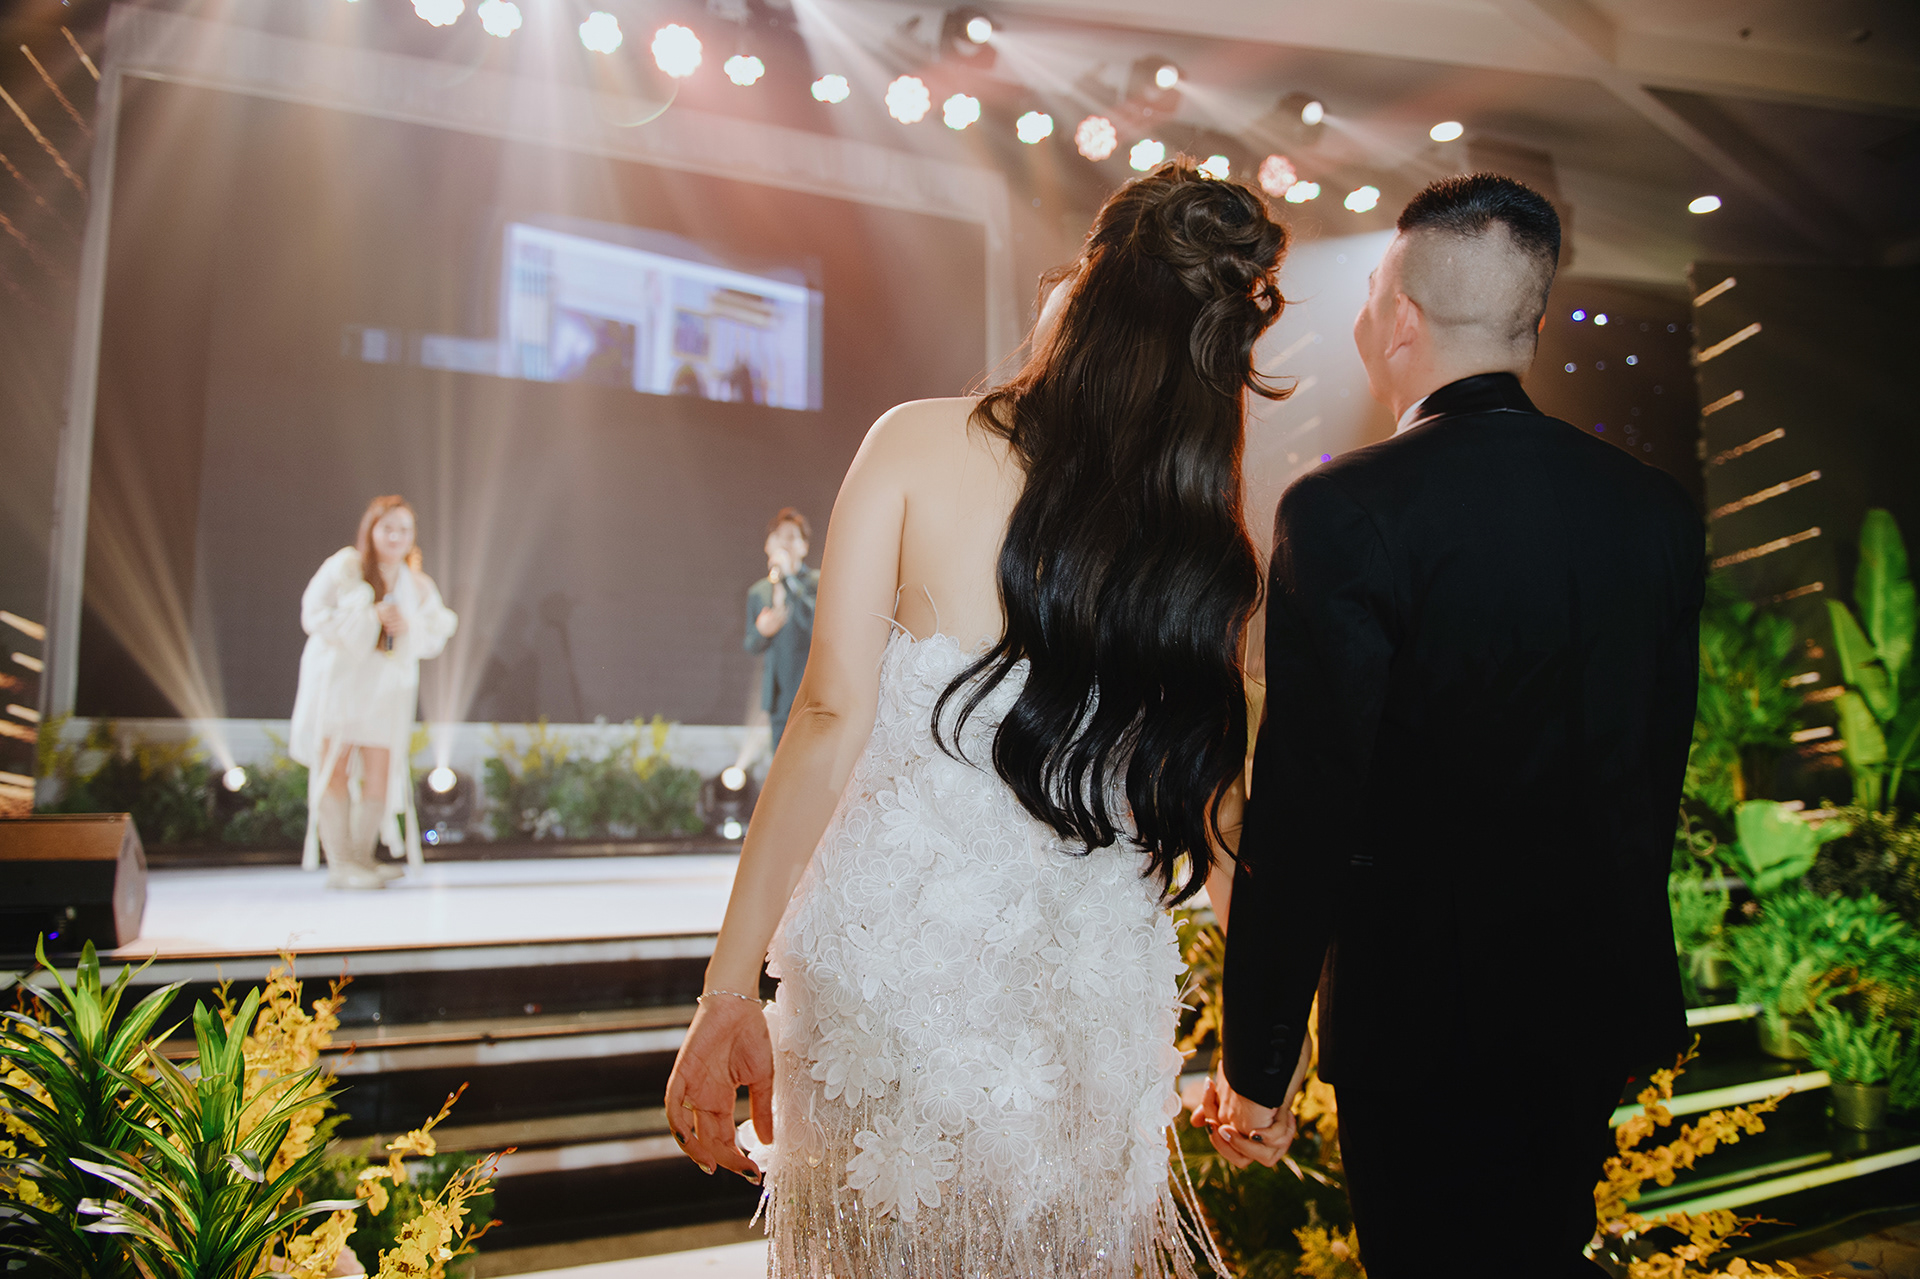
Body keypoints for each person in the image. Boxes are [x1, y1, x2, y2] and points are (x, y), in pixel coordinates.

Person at [664, 160, 1290, 1277]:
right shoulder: (1195, 545)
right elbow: (1228, 822)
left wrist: (727, 989)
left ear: (1088, 291)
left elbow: (828, 714)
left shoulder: (915, 443)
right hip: (1084, 1022)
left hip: (890, 994)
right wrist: (1264, 1061)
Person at [1199, 174, 1705, 1277]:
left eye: (1369, 293)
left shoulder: (1344, 509)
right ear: (1530, 325)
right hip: (1588, 1008)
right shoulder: (1654, 511)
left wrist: (1260, 1060)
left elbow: (1308, 807)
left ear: (1400, 320)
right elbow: (1653, 771)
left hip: (1421, 1023)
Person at [290, 496, 458, 890]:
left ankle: (362, 856)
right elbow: (313, 613)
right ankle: (340, 863)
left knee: (381, 769)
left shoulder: (417, 583)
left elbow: (435, 632)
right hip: (341, 683)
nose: (396, 537)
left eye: (404, 530)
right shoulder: (346, 567)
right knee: (335, 766)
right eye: (388, 528)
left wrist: (406, 625)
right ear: (372, 530)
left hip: (385, 690)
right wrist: (369, 617)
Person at [743, 508, 819, 751]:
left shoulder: (817, 582)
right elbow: (751, 644)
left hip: (810, 693)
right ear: (768, 545)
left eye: (791, 537)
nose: (783, 543)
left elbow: (814, 622)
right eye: (778, 537)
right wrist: (762, 631)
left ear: (804, 547)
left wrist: (787, 577)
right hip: (778, 697)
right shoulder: (759, 591)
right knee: (779, 760)